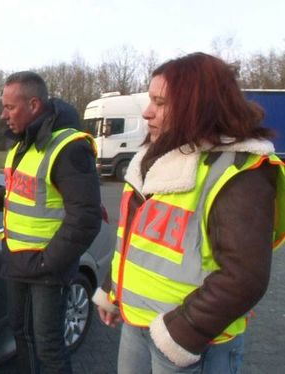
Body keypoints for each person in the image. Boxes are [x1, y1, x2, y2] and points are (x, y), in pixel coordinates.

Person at [92, 52, 285, 373]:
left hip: (190, 343)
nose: (147, 112)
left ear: (199, 106)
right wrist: (114, 291)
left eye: (161, 103)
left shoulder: (241, 172)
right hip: (136, 324)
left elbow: (244, 278)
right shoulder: (149, 161)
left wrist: (179, 334)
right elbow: (133, 242)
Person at [0, 71, 102, 373]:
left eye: (10, 107)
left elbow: (86, 217)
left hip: (46, 267)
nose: (3, 115)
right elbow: (35, 196)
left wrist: (49, 262)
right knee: (22, 335)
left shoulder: (68, 147)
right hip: (17, 260)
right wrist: (1, 197)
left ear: (34, 104)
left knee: (48, 345)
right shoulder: (22, 143)